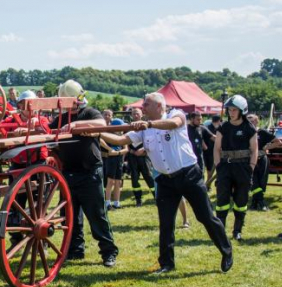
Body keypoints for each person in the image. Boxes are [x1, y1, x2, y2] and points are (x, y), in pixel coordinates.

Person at [96, 92, 233, 274]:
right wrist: (98, 133)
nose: (142, 108)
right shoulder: (143, 129)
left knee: (205, 216)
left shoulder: (176, 114)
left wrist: (149, 124)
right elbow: (121, 140)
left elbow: (174, 124)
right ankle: (166, 263)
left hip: (189, 174)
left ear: (159, 106)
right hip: (165, 180)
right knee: (166, 223)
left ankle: (226, 251)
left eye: (146, 105)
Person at [49, 80, 118, 267]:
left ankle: (108, 252)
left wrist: (75, 125)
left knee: (96, 215)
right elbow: (48, 131)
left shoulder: (89, 113)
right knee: (71, 217)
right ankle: (75, 251)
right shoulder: (61, 119)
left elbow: (100, 123)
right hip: (68, 174)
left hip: (90, 173)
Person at [214, 96, 257, 241]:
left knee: (241, 200)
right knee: (222, 200)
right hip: (225, 167)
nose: (231, 112)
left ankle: (237, 230)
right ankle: (220, 231)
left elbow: (254, 150)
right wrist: (218, 165)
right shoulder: (224, 127)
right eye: (229, 109)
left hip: (243, 168)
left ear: (242, 111)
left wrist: (251, 167)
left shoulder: (249, 128)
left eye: (234, 110)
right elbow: (217, 148)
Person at [126, 107, 155, 206]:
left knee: (149, 177)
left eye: (137, 113)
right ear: (131, 115)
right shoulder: (128, 127)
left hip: (144, 156)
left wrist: (143, 150)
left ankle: (157, 196)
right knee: (134, 179)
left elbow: (152, 141)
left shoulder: (147, 127)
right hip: (132, 157)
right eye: (134, 114)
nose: (136, 115)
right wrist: (132, 151)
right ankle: (138, 199)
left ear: (141, 114)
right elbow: (124, 143)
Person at [247, 114, 276, 211]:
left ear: (256, 121)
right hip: (249, 159)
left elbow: (278, 142)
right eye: (248, 121)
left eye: (251, 121)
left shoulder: (262, 132)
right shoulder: (245, 133)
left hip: (262, 158)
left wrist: (266, 148)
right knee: (253, 180)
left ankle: (256, 202)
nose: (249, 123)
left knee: (262, 180)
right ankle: (260, 201)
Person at [101, 118, 128, 210]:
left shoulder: (121, 137)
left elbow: (126, 148)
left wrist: (118, 153)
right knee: (110, 182)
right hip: (111, 161)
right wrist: (109, 149)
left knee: (118, 182)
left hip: (119, 160)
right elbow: (100, 139)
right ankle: (107, 203)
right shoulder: (109, 137)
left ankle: (117, 203)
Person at [204, 115, 222, 184]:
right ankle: (208, 184)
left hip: (215, 151)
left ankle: (215, 183)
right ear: (219, 121)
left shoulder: (208, 127)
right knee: (210, 170)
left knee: (217, 170)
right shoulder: (209, 128)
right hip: (210, 152)